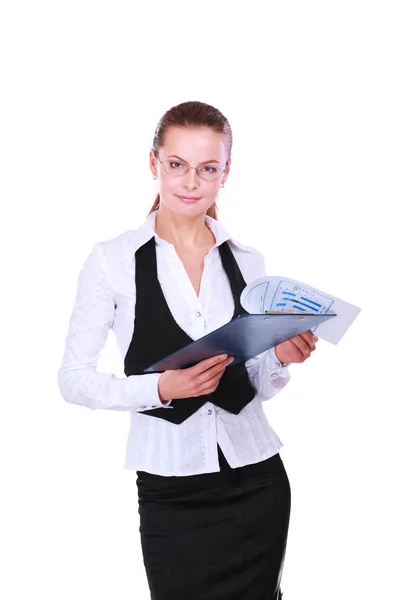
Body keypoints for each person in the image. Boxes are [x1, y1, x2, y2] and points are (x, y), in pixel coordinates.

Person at [57, 100, 318, 600]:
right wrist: (160, 388)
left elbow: (254, 383)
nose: (190, 182)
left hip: (257, 481)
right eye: (176, 165)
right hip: (170, 488)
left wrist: (281, 358)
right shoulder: (111, 261)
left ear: (225, 174)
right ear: (153, 163)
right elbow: (73, 378)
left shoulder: (248, 260)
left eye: (207, 168)